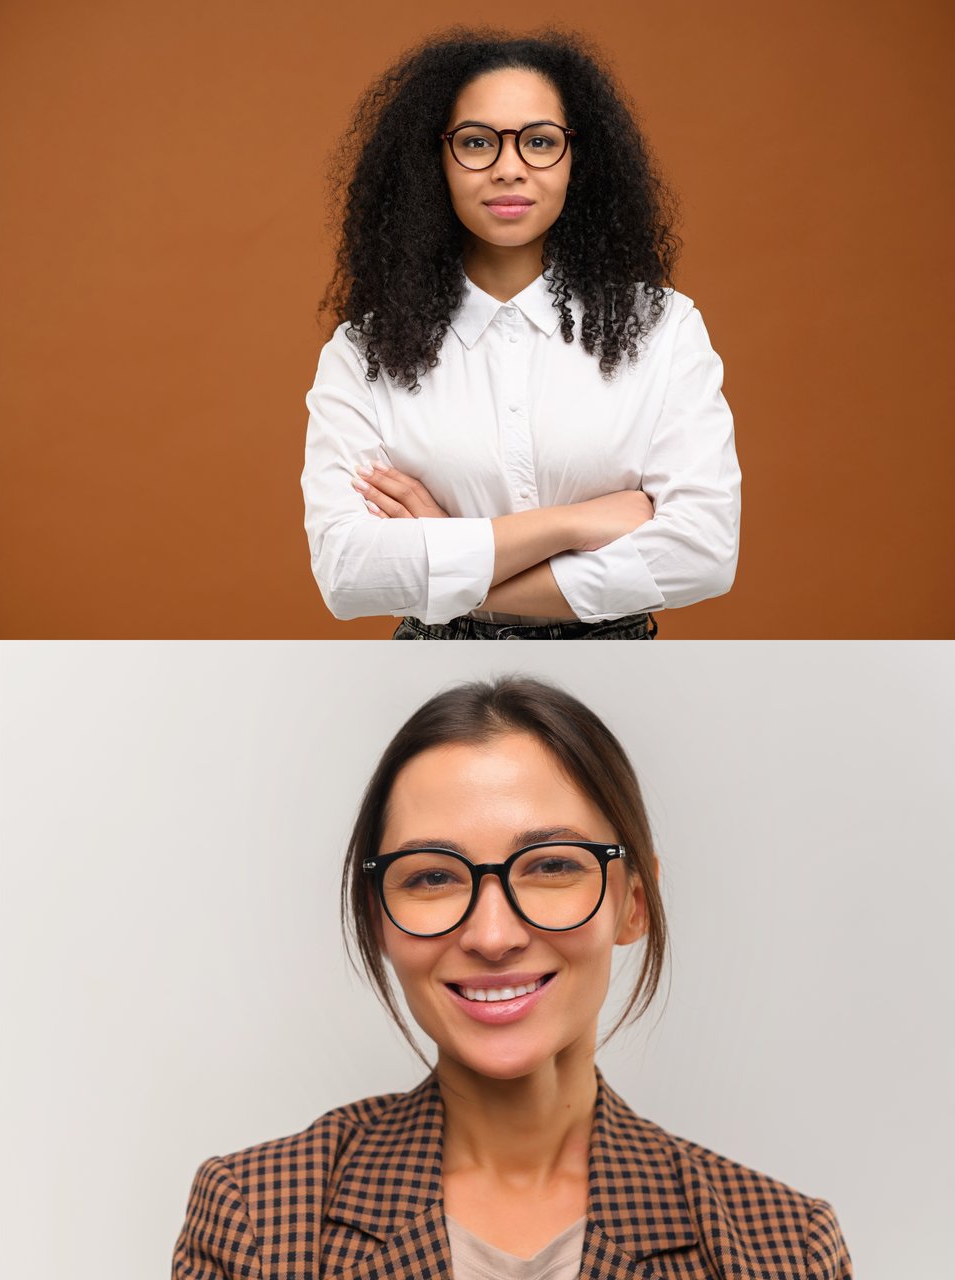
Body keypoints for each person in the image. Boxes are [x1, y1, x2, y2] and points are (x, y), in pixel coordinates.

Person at [174, 677, 850, 1276]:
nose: (493, 936)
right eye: (433, 878)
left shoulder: (784, 1248)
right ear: (378, 918)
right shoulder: (259, 1217)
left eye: (552, 866)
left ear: (633, 904)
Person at [301, 30, 739, 639]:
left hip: (619, 665)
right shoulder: (362, 353)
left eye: (540, 142)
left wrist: (447, 553)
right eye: (477, 142)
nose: (510, 169)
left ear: (578, 161)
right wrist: (572, 524)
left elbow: (705, 552)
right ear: (435, 161)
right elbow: (348, 576)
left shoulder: (662, 328)